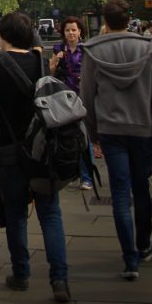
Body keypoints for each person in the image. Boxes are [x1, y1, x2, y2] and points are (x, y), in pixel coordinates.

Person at [0, 11, 71, 303]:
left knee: (15, 215)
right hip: (43, 147)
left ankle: (21, 274)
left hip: (12, 150)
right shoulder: (41, 61)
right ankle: (59, 278)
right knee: (50, 213)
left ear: (2, 35)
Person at [80, 0, 152, 280]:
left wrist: (94, 133)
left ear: (105, 21)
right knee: (142, 189)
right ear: (128, 18)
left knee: (120, 193)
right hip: (142, 130)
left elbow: (86, 98)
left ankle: (130, 260)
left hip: (110, 131)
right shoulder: (145, 48)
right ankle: (143, 245)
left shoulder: (93, 51)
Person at [49, 15, 95, 190]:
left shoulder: (86, 49)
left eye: (73, 30)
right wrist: (56, 60)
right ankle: (74, 172)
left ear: (80, 31)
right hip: (64, 97)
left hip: (83, 96)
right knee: (68, 136)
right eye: (67, 30)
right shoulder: (59, 48)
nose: (70, 33)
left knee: (84, 136)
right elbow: (50, 71)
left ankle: (86, 176)